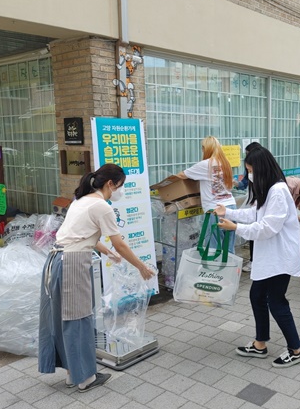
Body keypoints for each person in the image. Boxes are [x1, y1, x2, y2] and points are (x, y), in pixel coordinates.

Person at [38, 164, 156, 392]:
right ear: (110, 184)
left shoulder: (80, 200)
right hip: (72, 264)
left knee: (63, 319)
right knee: (79, 319)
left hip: (55, 262)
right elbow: (119, 242)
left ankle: (73, 374)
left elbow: (83, 235)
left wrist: (106, 252)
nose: (119, 191)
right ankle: (85, 378)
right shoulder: (102, 206)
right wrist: (141, 266)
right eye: (120, 186)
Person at [215, 147, 300, 368]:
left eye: (250, 170)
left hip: (280, 257)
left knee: (276, 301)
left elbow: (267, 228)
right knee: (257, 295)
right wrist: (228, 212)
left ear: (261, 169)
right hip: (271, 256)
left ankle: (295, 348)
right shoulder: (269, 190)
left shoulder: (278, 191)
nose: (249, 176)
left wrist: (235, 227)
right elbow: (254, 213)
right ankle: (260, 343)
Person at [176, 136, 237, 253]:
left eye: (203, 148)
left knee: (213, 249)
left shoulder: (205, 164)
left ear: (206, 148)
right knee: (229, 249)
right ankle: (231, 271)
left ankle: (216, 271)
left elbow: (182, 175)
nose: (202, 151)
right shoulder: (226, 164)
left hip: (214, 210)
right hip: (231, 207)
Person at [236, 141, 263, 271]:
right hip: (254, 202)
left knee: (255, 232)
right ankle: (255, 260)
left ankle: (254, 261)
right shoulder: (253, 171)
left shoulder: (269, 183)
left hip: (257, 205)